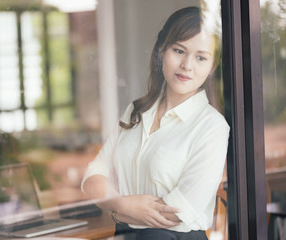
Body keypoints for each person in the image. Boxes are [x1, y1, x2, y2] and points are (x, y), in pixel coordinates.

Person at [81, 6, 229, 240]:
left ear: (212, 66)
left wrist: (115, 208)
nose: (187, 65)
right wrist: (123, 204)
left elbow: (177, 213)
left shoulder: (212, 127)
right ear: (162, 52)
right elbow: (92, 177)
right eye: (179, 50)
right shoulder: (135, 111)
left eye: (201, 57)